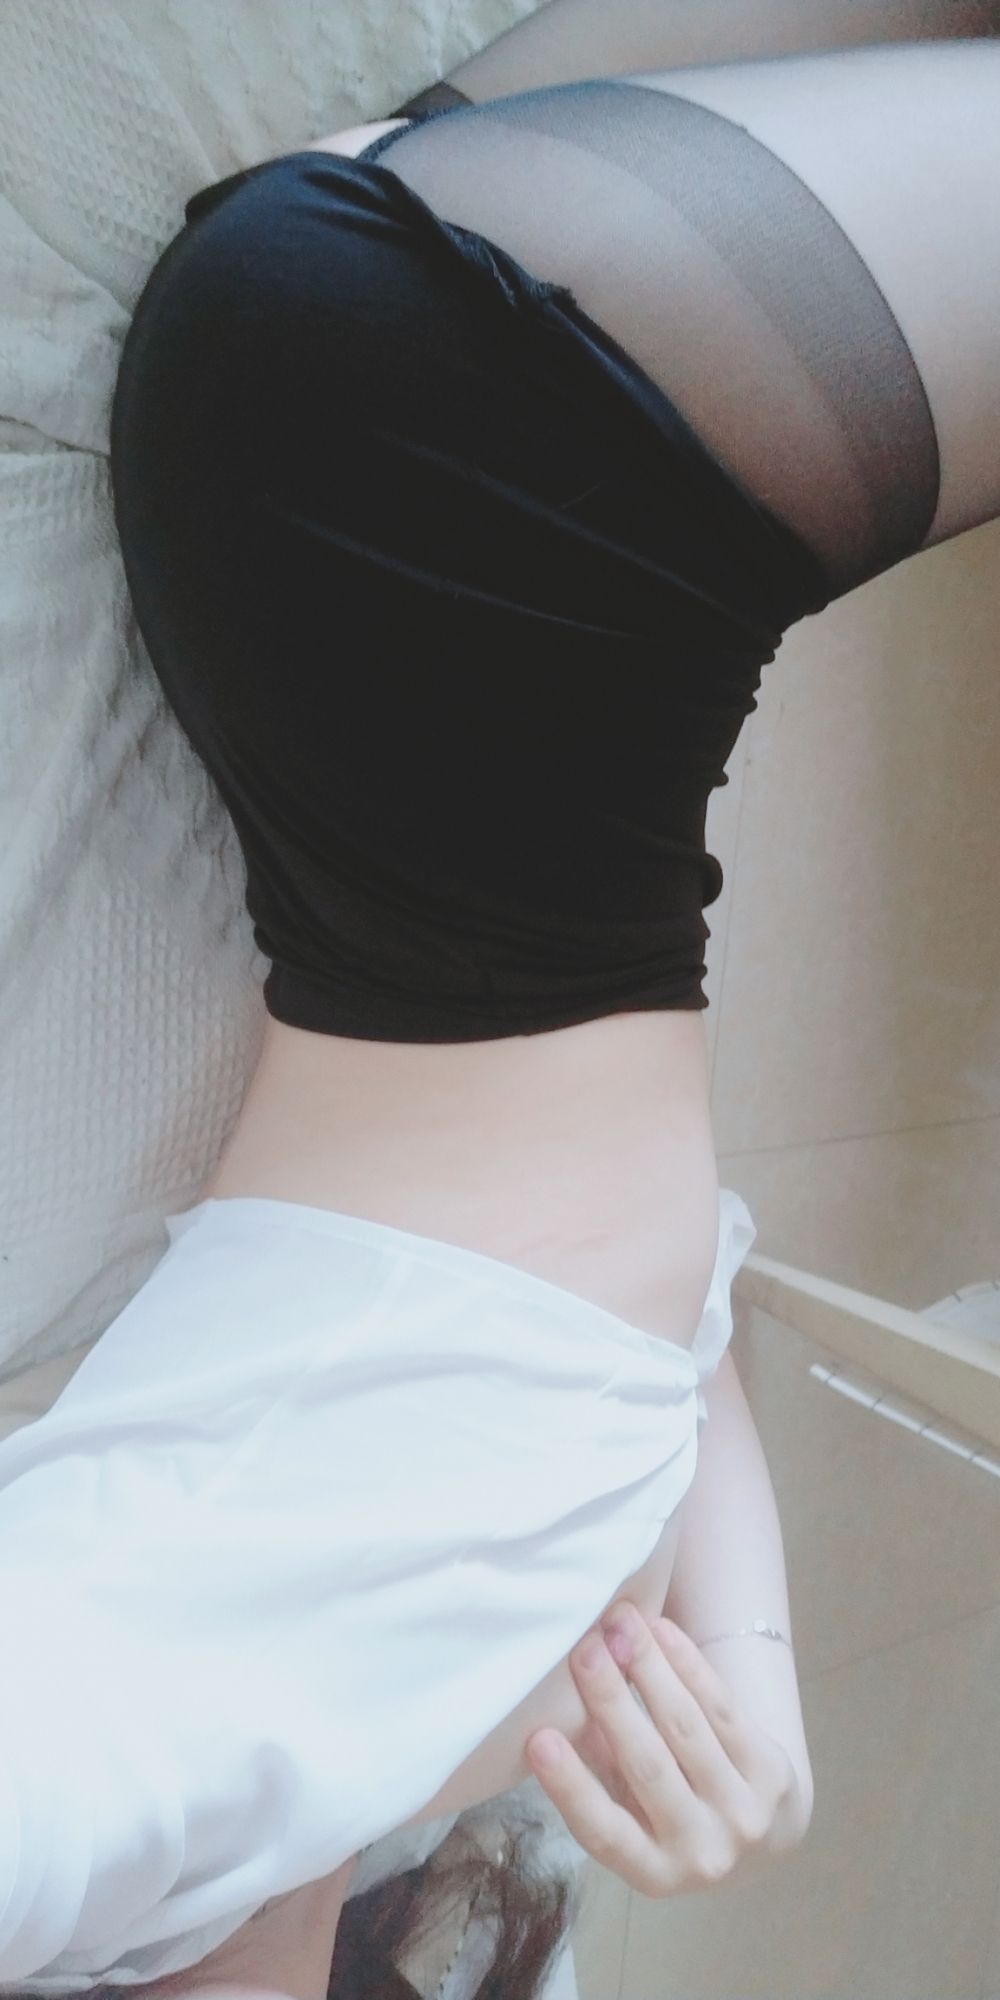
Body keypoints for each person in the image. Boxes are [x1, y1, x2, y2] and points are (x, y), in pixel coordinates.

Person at [4, 3, 999, 1997]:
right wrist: (750, 1676)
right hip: (388, 477)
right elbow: (637, 1324)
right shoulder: (361, 1739)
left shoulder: (126, 1791)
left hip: (501, 467)